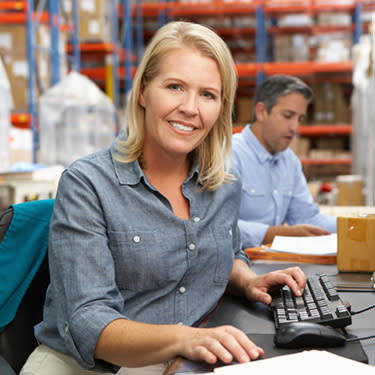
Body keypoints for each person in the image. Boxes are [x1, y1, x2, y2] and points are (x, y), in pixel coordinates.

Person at [20, 22, 306, 375]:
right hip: (86, 365)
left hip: (183, 356)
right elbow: (88, 321)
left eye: (208, 95)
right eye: (175, 87)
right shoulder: (87, 184)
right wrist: (183, 340)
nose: (190, 107)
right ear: (143, 92)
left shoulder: (223, 185)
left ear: (221, 108)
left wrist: (247, 281)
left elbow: (224, 253)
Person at [232, 75, 337, 249]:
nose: (295, 128)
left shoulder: (290, 162)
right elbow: (216, 227)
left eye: (300, 119)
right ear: (261, 112)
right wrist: (276, 234)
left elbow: (307, 218)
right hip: (233, 267)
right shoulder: (229, 156)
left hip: (271, 263)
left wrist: (355, 224)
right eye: (288, 116)